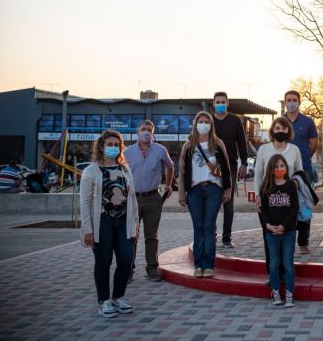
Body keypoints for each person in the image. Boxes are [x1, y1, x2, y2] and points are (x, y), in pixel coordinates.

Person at [80, 129, 139, 318]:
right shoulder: (91, 171)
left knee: (125, 260)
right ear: (101, 147)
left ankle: (118, 297)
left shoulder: (124, 169)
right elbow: (85, 202)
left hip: (123, 222)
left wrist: (135, 224)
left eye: (116, 145)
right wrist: (87, 230)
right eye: (109, 145)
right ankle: (104, 301)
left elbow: (132, 199)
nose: (113, 148)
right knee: (103, 262)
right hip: (102, 223)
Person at [177, 111, 232, 278]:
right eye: (200, 121)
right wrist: (181, 194)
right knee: (198, 227)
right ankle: (198, 264)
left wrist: (227, 189)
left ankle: (208, 265)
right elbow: (182, 170)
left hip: (213, 189)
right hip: (194, 190)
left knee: (209, 227)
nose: (203, 124)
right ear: (195, 124)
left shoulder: (217, 143)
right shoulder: (188, 145)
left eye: (206, 121)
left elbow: (226, 167)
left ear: (211, 125)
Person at [123, 119, 174, 282]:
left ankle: (152, 268)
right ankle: (128, 269)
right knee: (132, 236)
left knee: (151, 236)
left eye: (149, 130)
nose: (146, 132)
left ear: (153, 133)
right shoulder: (127, 152)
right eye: (143, 129)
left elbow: (170, 166)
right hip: (132, 198)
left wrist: (168, 184)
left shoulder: (160, 150)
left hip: (153, 198)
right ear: (137, 132)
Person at [254, 117, 303, 281]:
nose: (280, 131)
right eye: (277, 128)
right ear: (272, 131)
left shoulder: (294, 149)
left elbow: (299, 172)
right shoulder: (263, 150)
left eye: (284, 128)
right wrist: (258, 195)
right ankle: (272, 273)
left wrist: (294, 183)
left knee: (287, 236)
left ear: (288, 131)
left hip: (288, 201)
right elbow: (258, 174)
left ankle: (285, 273)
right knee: (270, 238)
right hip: (268, 199)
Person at [260, 154, 299, 308]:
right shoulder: (266, 186)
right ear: (271, 169)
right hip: (271, 232)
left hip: (288, 231)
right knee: (274, 263)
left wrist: (283, 226)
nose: (279, 169)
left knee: (288, 263)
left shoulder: (290, 185)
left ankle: (289, 293)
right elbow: (263, 210)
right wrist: (268, 226)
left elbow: (294, 208)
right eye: (276, 166)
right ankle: (275, 291)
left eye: (282, 166)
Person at [284, 89, 319, 253]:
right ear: (285, 102)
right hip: (282, 171)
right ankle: (285, 238)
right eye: (289, 100)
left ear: (299, 102)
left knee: (304, 204)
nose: (291, 103)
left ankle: (303, 242)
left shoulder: (308, 122)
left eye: (294, 100)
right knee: (285, 204)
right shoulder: (280, 121)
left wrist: (302, 159)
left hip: (304, 170)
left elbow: (313, 144)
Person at [211, 91, 248, 249]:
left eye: (223, 101)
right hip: (211, 167)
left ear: (227, 103)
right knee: (212, 202)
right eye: (217, 101)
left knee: (228, 203)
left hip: (231, 166)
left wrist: (244, 163)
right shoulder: (209, 121)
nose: (220, 104)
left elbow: (242, 142)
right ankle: (211, 235)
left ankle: (227, 237)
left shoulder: (235, 120)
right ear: (213, 103)